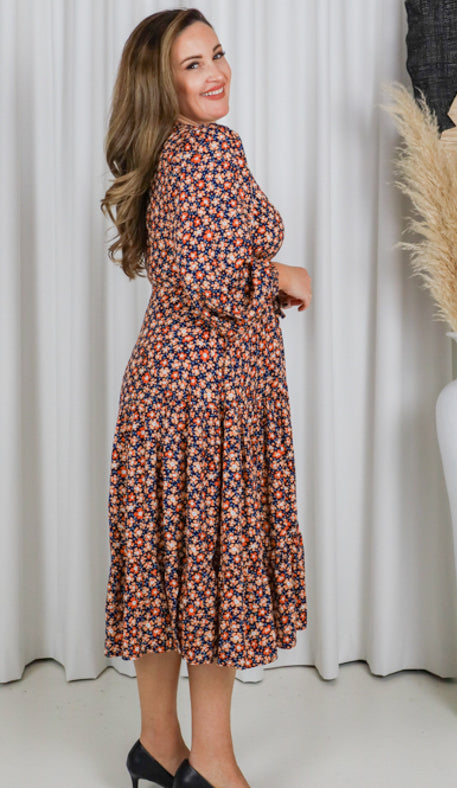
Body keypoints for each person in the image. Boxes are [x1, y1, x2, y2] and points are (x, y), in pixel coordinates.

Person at [100, 8, 311, 788]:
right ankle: (211, 764)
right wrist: (282, 277)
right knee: (212, 575)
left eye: (216, 54)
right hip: (204, 403)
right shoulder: (210, 150)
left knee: (167, 571)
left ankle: (158, 749)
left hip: (164, 395)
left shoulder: (168, 153)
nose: (215, 71)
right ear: (163, 83)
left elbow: (191, 263)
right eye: (193, 64)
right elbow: (213, 277)